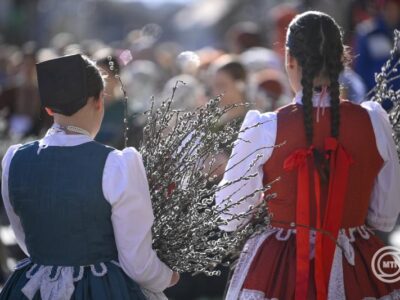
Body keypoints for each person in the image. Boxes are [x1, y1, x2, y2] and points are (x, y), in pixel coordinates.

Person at [216, 11, 400, 299]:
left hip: (280, 267)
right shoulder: (375, 121)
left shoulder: (265, 127)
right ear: (342, 59)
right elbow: (385, 218)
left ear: (289, 59)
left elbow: (229, 216)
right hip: (359, 263)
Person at [0, 54, 179, 300]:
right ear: (99, 101)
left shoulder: (14, 159)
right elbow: (137, 263)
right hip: (103, 289)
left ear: (49, 109)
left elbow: (25, 239)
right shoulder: (117, 163)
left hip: (34, 287)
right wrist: (167, 276)